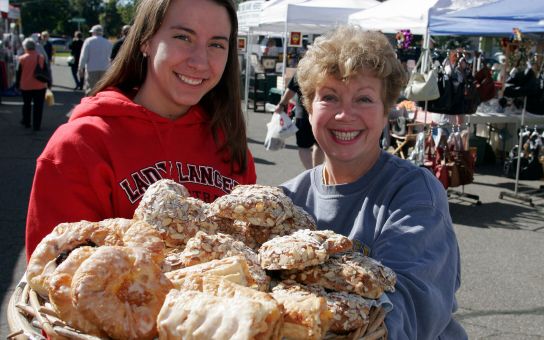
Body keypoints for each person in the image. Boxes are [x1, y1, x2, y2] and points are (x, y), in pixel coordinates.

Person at [25, 0, 256, 259]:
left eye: (216, 44)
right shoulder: (80, 145)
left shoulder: (229, 144)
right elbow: (55, 280)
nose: (200, 61)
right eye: (183, 37)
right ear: (145, 41)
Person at [280, 26, 467, 339]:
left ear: (385, 114)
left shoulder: (414, 193)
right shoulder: (286, 200)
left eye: (364, 99)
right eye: (329, 97)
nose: (344, 115)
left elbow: (408, 307)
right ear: (310, 109)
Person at [274, 72, 324, 169]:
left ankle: (310, 172)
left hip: (303, 113)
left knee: (304, 146)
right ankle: (317, 172)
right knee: (319, 143)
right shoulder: (324, 68)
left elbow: (291, 90)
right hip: (321, 112)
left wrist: (281, 104)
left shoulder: (302, 69)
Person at [15, 38, 48, 132]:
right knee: (38, 106)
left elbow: (19, 73)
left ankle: (27, 122)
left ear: (25, 47)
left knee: (26, 104)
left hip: (26, 85)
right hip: (40, 86)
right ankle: (37, 125)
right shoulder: (41, 57)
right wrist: (48, 83)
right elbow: (45, 71)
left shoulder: (22, 59)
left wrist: (17, 84)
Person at [78, 24, 112, 95]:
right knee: (102, 89)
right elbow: (110, 57)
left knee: (90, 89)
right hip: (105, 68)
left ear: (93, 32)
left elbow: (84, 56)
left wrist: (81, 67)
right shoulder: (108, 42)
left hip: (91, 68)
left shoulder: (88, 41)